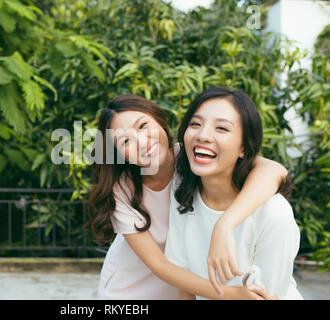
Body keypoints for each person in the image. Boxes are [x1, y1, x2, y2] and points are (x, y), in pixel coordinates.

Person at [86, 93, 288, 299]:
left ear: (159, 120)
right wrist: (233, 295)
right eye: (125, 141)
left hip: (185, 285)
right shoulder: (122, 190)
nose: (141, 142)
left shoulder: (194, 156)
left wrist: (225, 224)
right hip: (131, 288)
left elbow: (274, 170)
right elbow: (160, 265)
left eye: (143, 126)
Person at [165, 87, 303, 300]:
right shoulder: (182, 190)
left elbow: (266, 297)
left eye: (221, 128)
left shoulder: (273, 212)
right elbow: (185, 286)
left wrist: (224, 225)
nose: (203, 135)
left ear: (244, 149)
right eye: (195, 124)